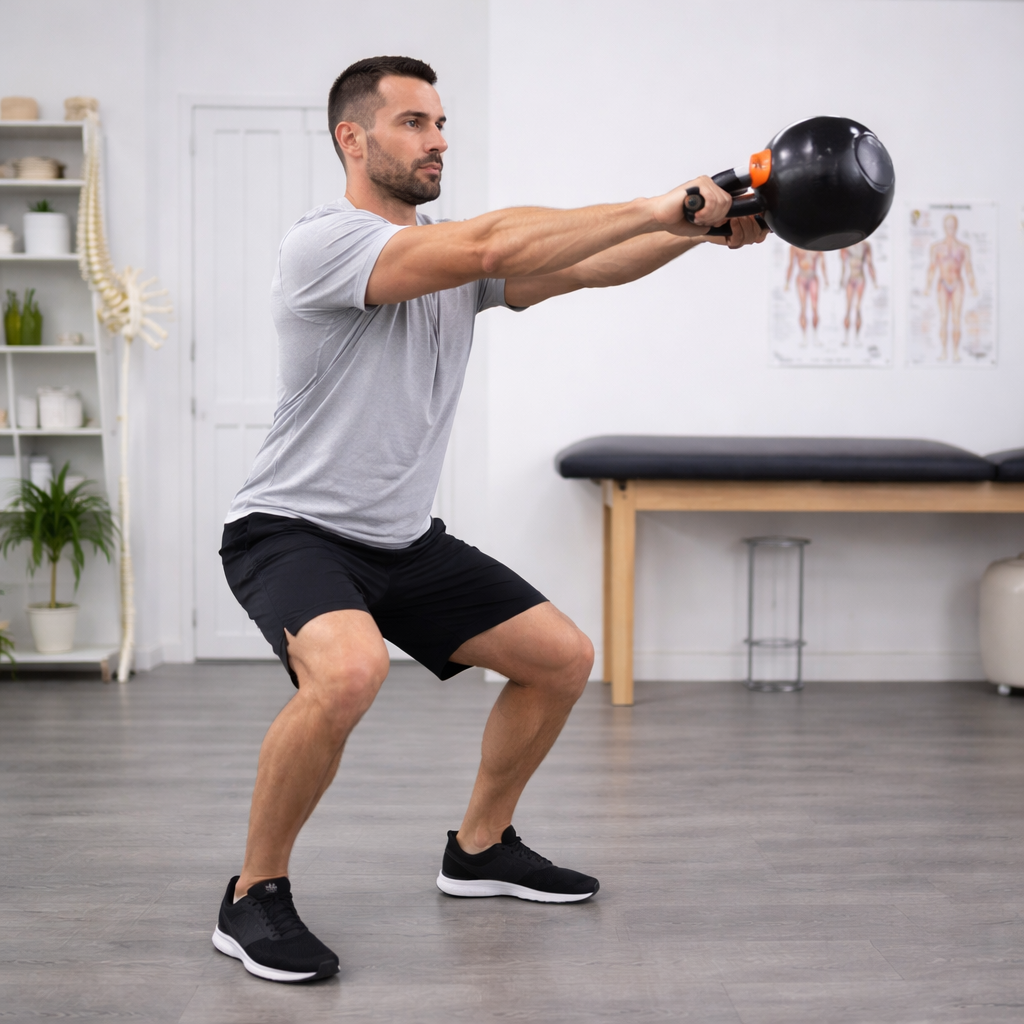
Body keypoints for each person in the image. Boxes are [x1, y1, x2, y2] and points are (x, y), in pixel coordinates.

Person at [212, 55, 767, 984]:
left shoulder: (448, 255)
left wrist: (700, 231)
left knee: (560, 659)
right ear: (353, 138)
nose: (437, 140)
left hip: (400, 537)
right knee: (347, 673)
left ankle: (478, 850)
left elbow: (586, 266)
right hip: (290, 527)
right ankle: (251, 895)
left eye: (440, 123)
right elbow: (491, 247)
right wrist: (663, 199)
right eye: (413, 123)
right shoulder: (329, 244)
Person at [925, 213, 977, 362]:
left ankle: (955, 352)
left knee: (956, 319)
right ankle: (943, 351)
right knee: (943, 319)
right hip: (942, 283)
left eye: (953, 226)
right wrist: (928, 286)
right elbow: (932, 267)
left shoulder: (963, 248)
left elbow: (968, 268)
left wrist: (973, 286)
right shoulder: (937, 247)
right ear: (944, 227)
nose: (950, 229)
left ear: (956, 227)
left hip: (957, 284)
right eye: (948, 226)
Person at [785, 245, 828, 338]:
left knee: (814, 308)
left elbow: (822, 264)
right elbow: (791, 264)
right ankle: (804, 335)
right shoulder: (794, 247)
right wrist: (787, 282)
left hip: (812, 278)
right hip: (801, 278)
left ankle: (815, 334)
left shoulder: (818, 246)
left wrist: (826, 280)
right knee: (803, 308)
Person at [839, 240, 876, 343]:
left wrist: (874, 281)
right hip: (851, 279)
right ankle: (846, 337)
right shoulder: (845, 246)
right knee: (848, 308)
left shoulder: (865, 246)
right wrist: (841, 280)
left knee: (858, 308)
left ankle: (857, 337)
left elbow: (869, 264)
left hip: (860, 279)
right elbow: (843, 265)